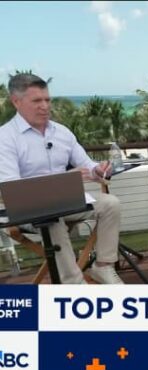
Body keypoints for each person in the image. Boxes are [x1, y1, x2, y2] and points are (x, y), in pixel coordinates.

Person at [0, 73, 123, 284]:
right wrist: (65, 178)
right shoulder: (5, 137)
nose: (45, 106)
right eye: (37, 101)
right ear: (16, 102)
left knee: (111, 204)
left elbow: (86, 164)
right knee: (52, 219)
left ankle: (103, 266)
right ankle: (74, 284)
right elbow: (12, 188)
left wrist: (98, 170)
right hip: (28, 210)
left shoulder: (62, 132)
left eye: (47, 100)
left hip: (67, 202)